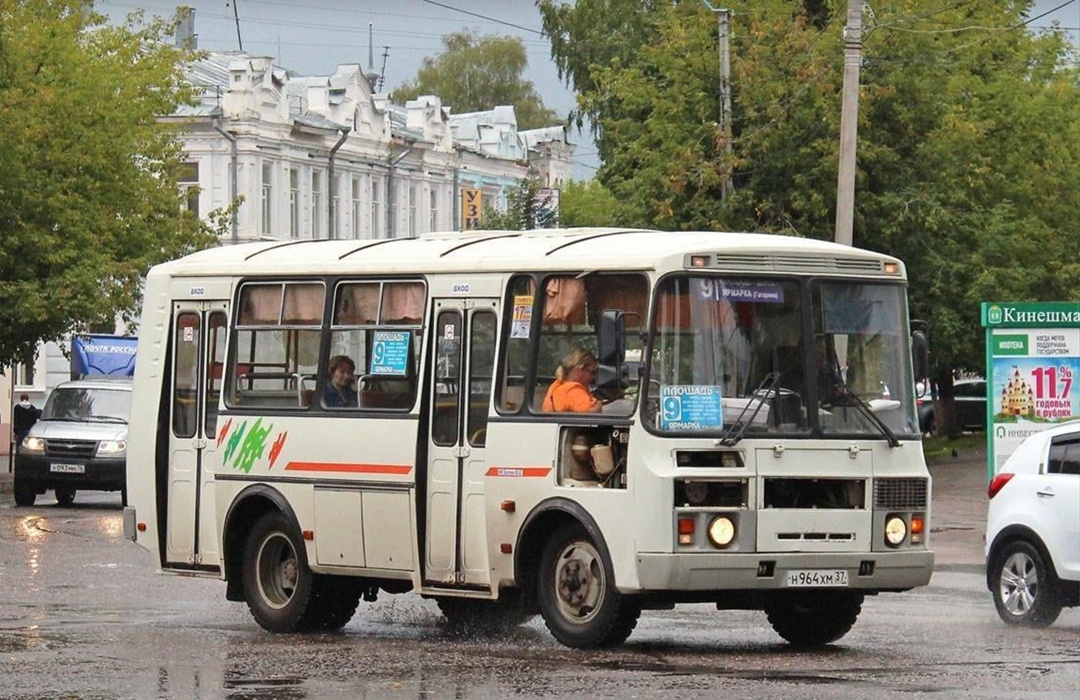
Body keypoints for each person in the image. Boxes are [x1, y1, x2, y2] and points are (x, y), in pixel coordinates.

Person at [542, 348, 603, 413]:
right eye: (592, 372)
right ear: (580, 369)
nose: (593, 377)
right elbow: (591, 415)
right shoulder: (573, 390)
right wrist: (599, 406)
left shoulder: (558, 385)